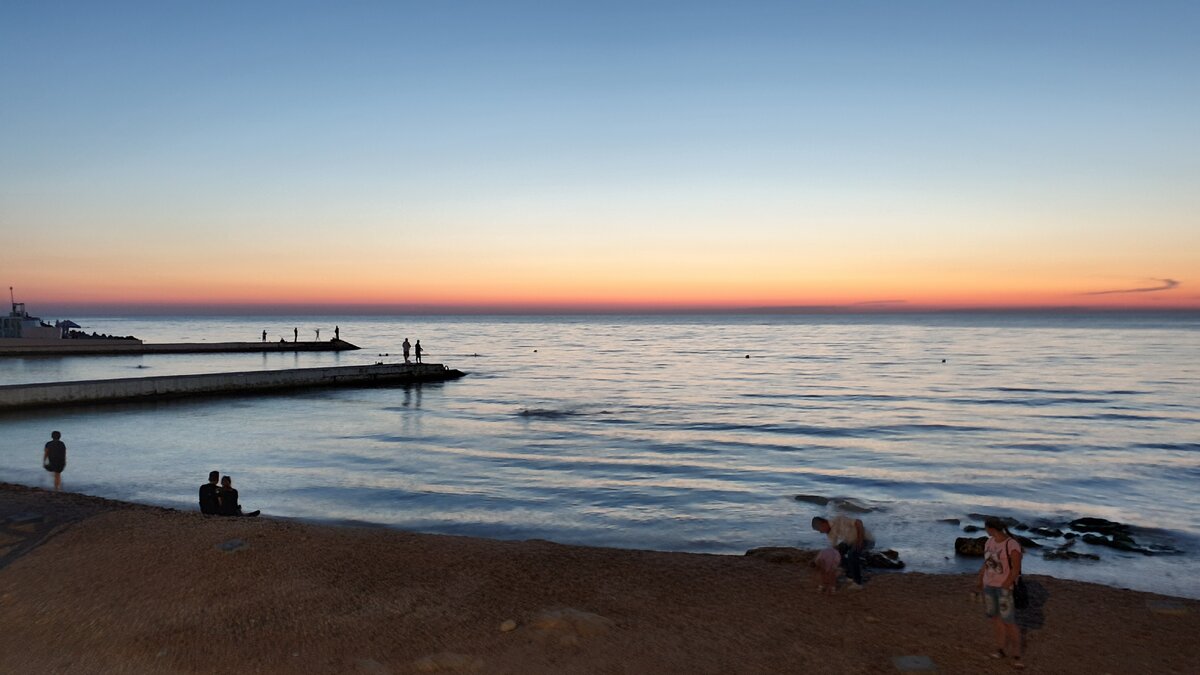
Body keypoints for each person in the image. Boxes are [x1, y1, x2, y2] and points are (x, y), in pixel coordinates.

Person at [976, 517, 1024, 668]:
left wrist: (1006, 585)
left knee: (1009, 622)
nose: (986, 531)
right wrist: (979, 580)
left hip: (1004, 589)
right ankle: (1000, 649)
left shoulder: (1011, 544)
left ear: (991, 528)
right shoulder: (989, 542)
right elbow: (987, 563)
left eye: (986, 528)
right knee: (996, 619)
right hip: (989, 586)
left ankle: (1017, 655)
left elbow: (1016, 569)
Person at [812, 515, 873, 589]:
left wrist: (859, 540)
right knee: (837, 552)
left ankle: (858, 583)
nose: (820, 532)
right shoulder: (830, 534)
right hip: (851, 541)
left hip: (866, 538)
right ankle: (850, 574)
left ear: (823, 523)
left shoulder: (838, 520)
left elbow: (859, 522)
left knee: (852, 554)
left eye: (819, 529)